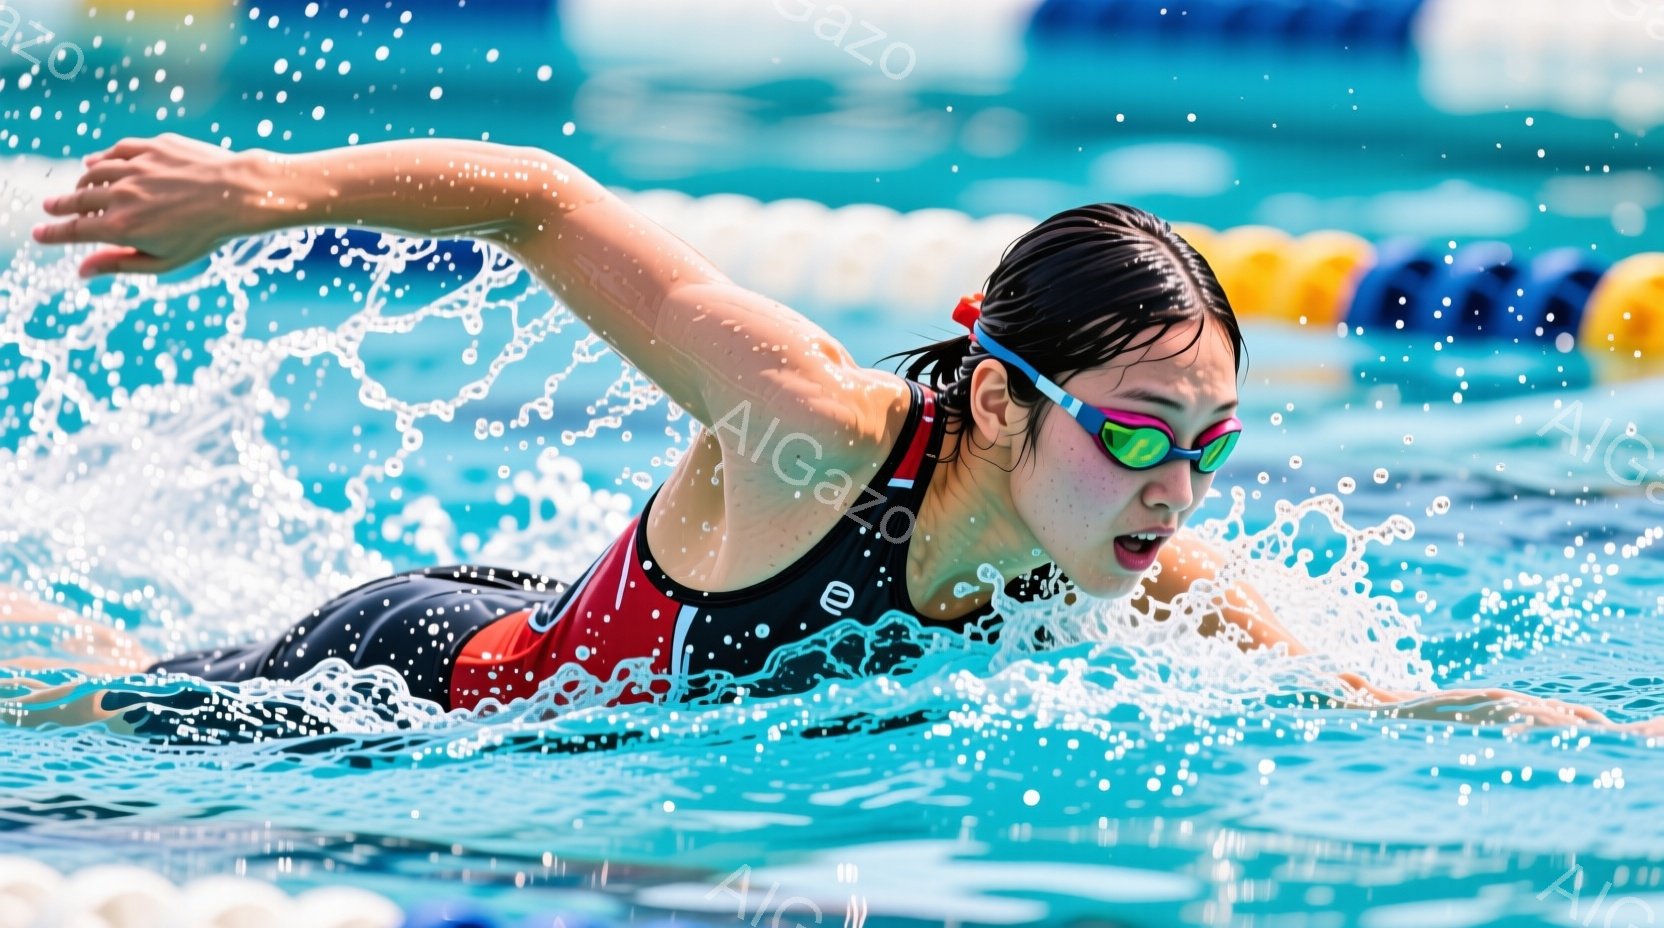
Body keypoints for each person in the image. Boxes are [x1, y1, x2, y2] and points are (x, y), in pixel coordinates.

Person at [4, 133, 1650, 735]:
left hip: (564, 626)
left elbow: (1368, 701)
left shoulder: (1121, 548)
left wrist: (1501, 723)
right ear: (999, 395)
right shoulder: (811, 427)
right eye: (1144, 434)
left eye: (1213, 445)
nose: (1178, 489)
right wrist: (258, 194)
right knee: (92, 713)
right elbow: (542, 202)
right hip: (408, 688)